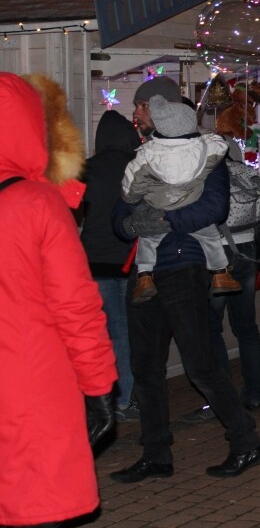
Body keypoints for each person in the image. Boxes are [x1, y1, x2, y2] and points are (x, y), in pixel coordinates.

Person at [110, 76, 260, 483]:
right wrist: (130, 224)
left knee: (201, 365)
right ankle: (157, 454)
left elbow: (214, 208)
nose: (140, 116)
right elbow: (120, 210)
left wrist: (164, 219)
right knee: (145, 367)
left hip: (184, 266)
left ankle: (246, 443)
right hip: (145, 273)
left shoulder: (207, 158)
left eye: (144, 110)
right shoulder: (143, 158)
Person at [0, 72, 117, 526]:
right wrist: (99, 386)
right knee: (36, 504)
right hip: (33, 388)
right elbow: (76, 308)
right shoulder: (36, 203)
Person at [122, 94, 241, 303]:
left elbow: (131, 187)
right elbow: (220, 147)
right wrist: (209, 137)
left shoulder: (147, 154)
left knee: (148, 241)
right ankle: (220, 274)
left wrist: (132, 198)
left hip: (157, 205)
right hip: (190, 201)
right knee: (211, 236)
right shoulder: (205, 150)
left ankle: (144, 277)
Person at [185, 138, 260, 423]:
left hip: (216, 254)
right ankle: (255, 393)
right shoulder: (248, 173)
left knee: (211, 327)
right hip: (246, 251)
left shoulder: (207, 175)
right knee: (246, 326)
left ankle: (223, 397)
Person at [80, 109, 142, 422]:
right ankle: (126, 397)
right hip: (131, 261)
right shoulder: (137, 168)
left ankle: (107, 395)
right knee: (130, 333)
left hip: (94, 261)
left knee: (104, 334)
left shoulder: (86, 170)